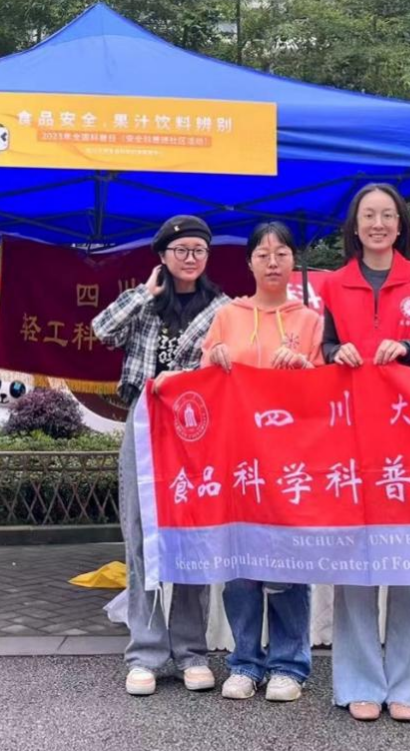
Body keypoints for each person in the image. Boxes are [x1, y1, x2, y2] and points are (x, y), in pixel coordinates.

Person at [321, 183, 410, 723]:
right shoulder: (333, 285)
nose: (377, 223)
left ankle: (407, 684)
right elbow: (323, 348)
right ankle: (358, 680)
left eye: (387, 215)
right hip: (352, 441)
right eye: (368, 215)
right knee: (356, 562)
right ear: (354, 226)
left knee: (407, 560)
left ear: (400, 225)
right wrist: (337, 352)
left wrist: (409, 348)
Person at [92, 215, 230, 696]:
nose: (190, 259)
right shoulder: (145, 302)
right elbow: (102, 330)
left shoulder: (223, 308)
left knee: (194, 532)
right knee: (140, 532)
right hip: (145, 422)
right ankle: (146, 652)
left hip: (198, 428)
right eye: (181, 250)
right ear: (163, 256)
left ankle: (191, 651)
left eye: (199, 250)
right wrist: (142, 294)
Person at [201, 221, 323, 703]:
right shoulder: (226, 316)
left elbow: (326, 394)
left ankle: (289, 664)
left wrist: (306, 369)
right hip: (237, 458)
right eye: (263, 254)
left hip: (290, 460)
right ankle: (245, 661)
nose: (272, 262)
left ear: (294, 261)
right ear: (249, 263)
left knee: (287, 562)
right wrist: (214, 357)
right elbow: (202, 381)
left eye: (282, 253)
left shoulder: (310, 321)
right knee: (240, 563)